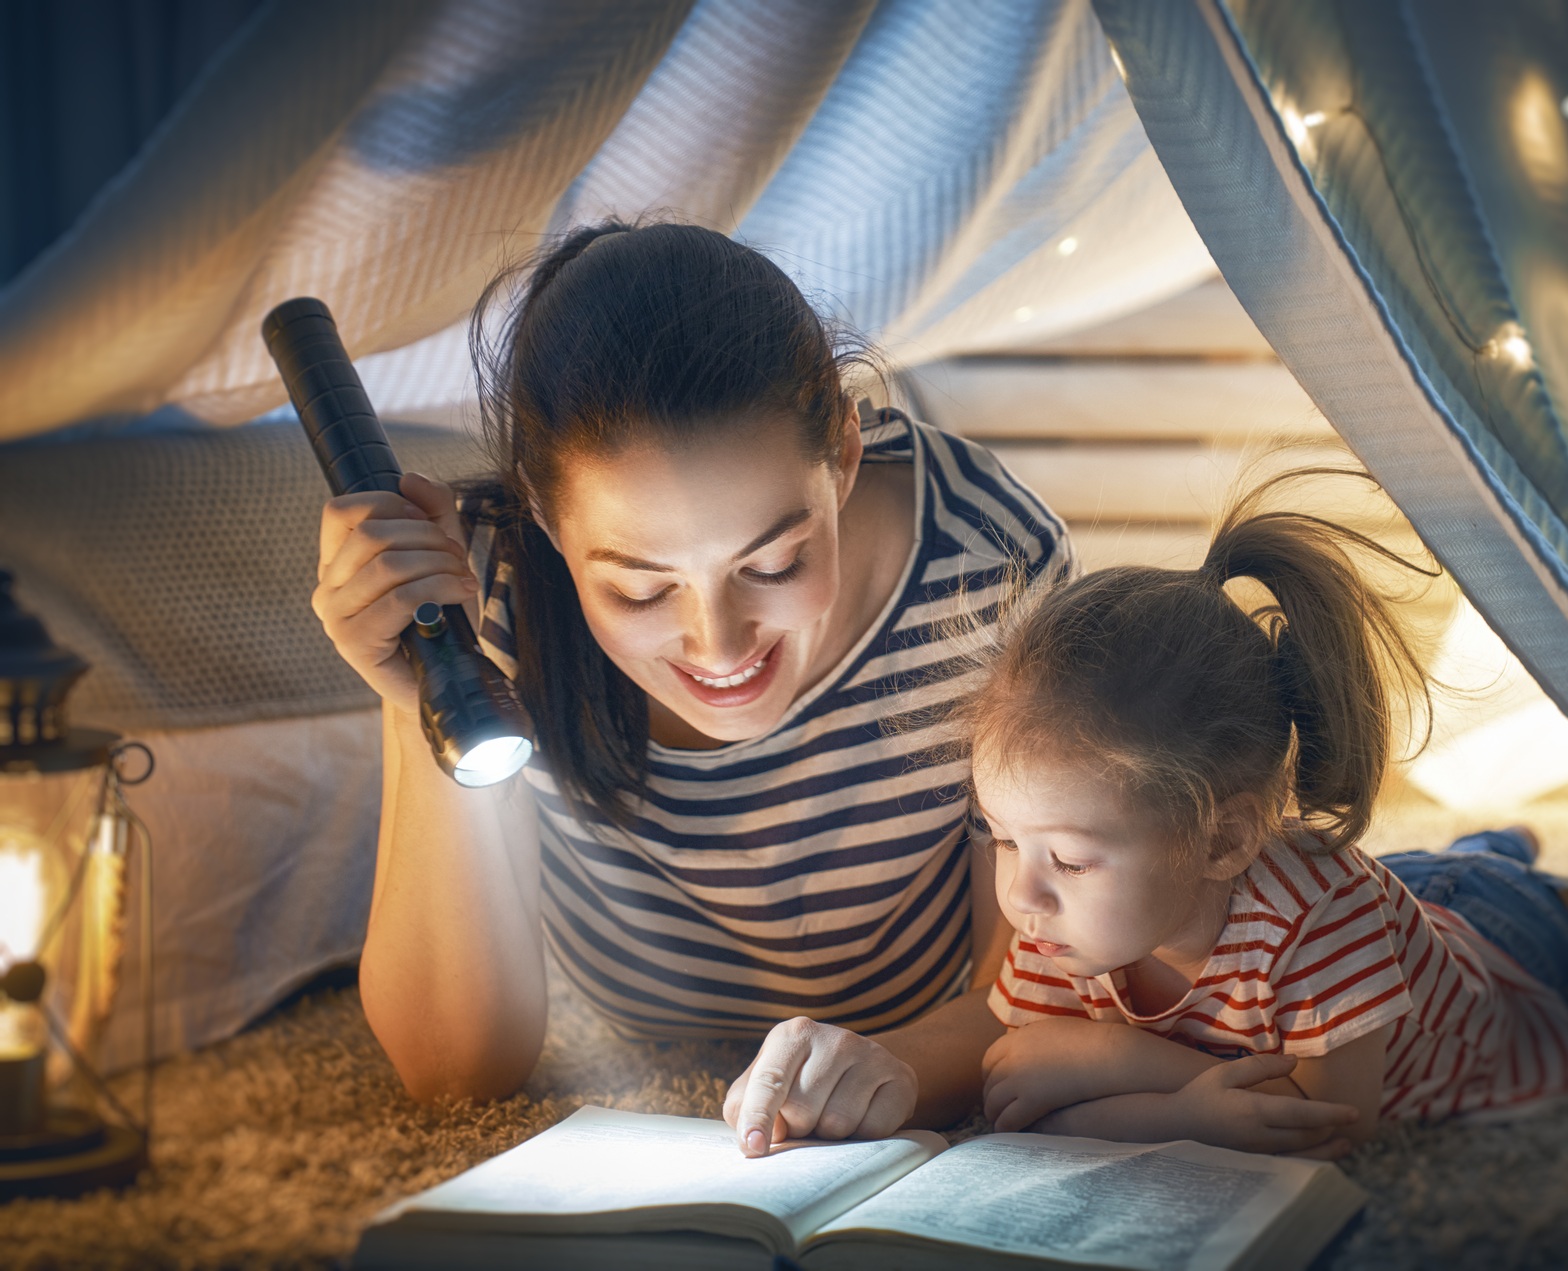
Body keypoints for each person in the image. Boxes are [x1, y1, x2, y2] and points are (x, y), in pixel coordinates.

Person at [311, 220, 1067, 1145]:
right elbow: (455, 1071)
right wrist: (426, 692)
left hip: (910, 1019)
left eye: (775, 562)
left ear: (842, 455)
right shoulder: (478, 589)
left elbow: (1041, 984)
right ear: (544, 517)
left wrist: (900, 1063)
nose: (718, 644)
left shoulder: (987, 557)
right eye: (639, 588)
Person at [966, 485, 1568, 1156]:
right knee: (1402, 896)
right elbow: (1025, 1096)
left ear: (1223, 840)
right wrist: (1162, 1098)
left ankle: (1502, 864)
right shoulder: (1057, 919)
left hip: (1527, 951)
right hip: (1397, 908)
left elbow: (1332, 1123)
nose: (1021, 893)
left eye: (1070, 858)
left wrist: (1125, 1065)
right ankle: (1484, 850)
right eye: (1002, 837)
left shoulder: (1320, 913)